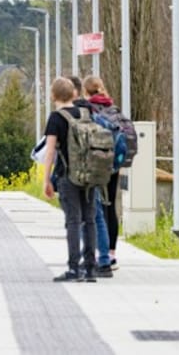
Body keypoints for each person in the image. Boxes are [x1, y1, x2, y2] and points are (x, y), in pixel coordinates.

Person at [43, 77, 97, 282]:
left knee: (73, 221)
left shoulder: (56, 118)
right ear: (74, 94)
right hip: (90, 175)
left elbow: (50, 152)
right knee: (89, 220)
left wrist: (46, 180)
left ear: (54, 95)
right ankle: (91, 268)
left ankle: (74, 268)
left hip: (68, 175)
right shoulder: (86, 113)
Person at [69, 76, 113, 278]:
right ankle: (103, 261)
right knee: (96, 217)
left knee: (77, 218)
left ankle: (81, 262)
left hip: (77, 173)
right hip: (98, 170)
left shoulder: (73, 115)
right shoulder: (106, 111)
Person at [83, 75, 120, 270]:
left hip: (97, 163)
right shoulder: (113, 108)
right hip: (114, 163)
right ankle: (112, 253)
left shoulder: (90, 109)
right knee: (111, 206)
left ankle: (100, 253)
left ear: (86, 91)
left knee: (96, 209)